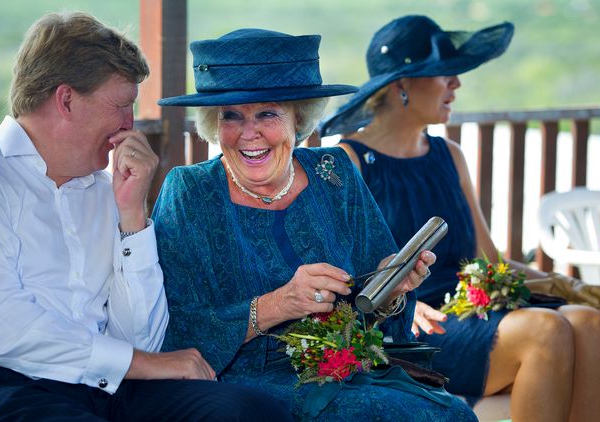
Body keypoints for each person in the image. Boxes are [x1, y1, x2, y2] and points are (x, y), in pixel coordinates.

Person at [0, 12, 292, 422]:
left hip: (103, 385)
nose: (129, 125)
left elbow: (141, 338)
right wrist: (140, 364)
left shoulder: (104, 188)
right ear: (66, 100)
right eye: (122, 106)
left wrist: (132, 216)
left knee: (250, 411)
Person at [152, 28, 477, 421]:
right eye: (231, 116)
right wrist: (279, 303)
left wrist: (393, 290)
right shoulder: (190, 191)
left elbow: (377, 313)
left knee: (455, 414)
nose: (248, 133)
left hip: (349, 370)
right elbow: (175, 329)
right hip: (246, 385)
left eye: (267, 114)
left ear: (299, 117)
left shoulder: (333, 172)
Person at [319, 15, 600, 422]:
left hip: (469, 311)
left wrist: (566, 284)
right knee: (546, 330)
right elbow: (335, 266)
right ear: (401, 85)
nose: (457, 84)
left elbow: (488, 263)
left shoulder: (450, 156)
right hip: (410, 327)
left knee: (592, 324)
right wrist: (399, 301)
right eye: (445, 74)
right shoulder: (350, 161)